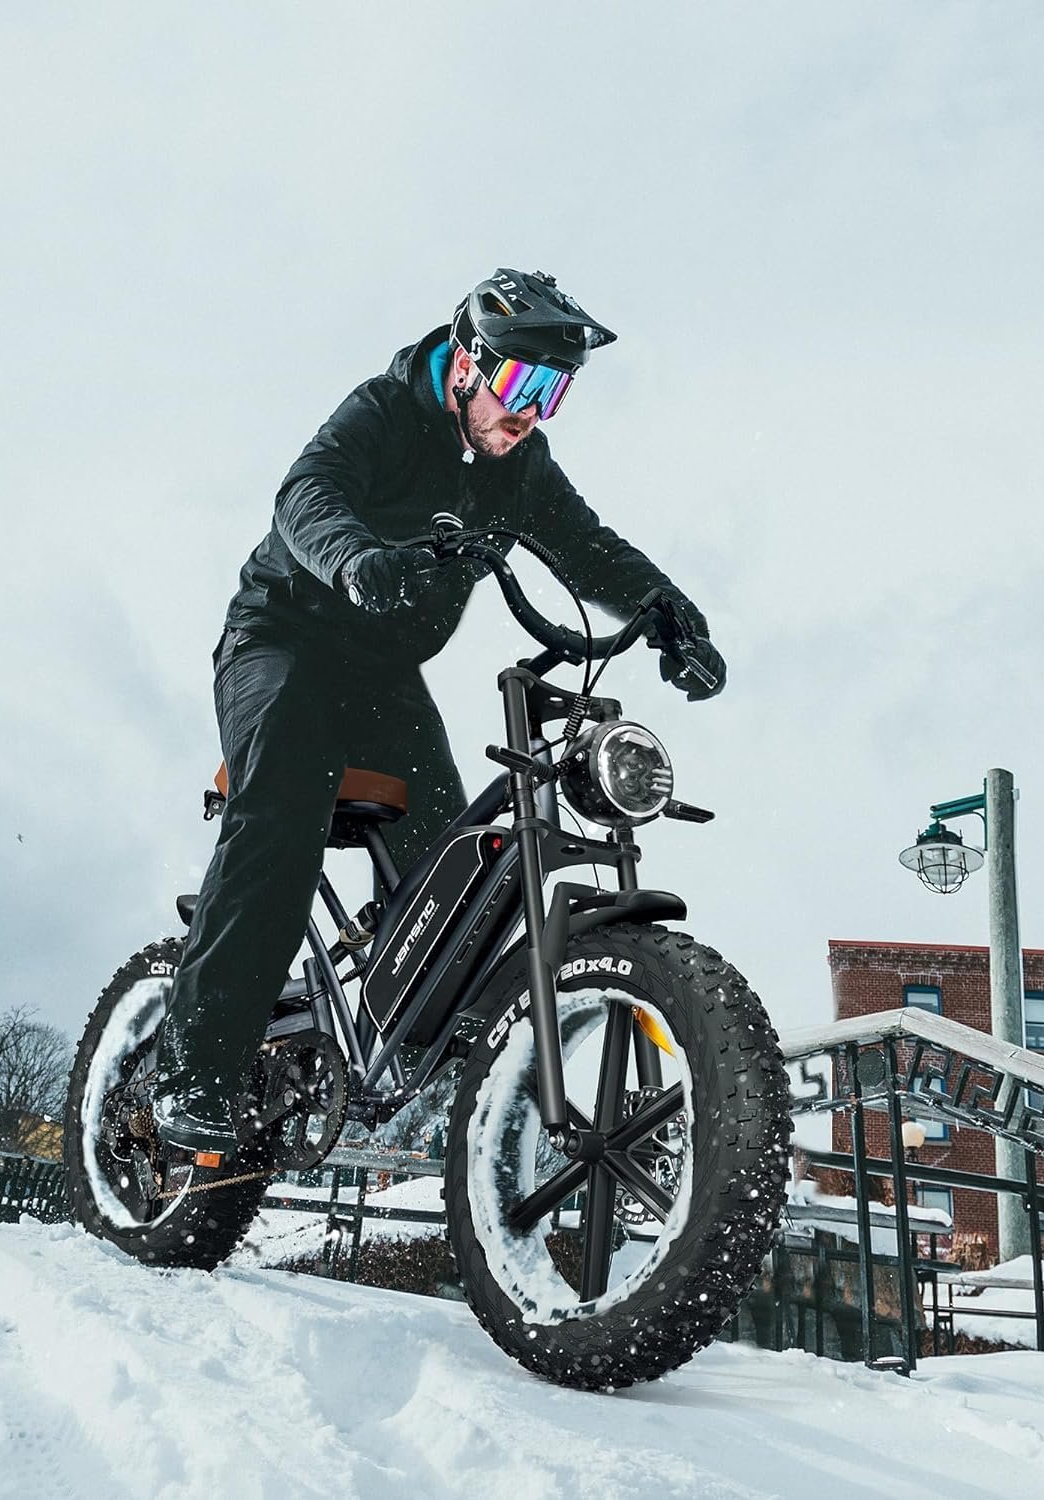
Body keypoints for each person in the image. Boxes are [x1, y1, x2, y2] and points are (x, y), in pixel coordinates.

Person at [153, 268, 725, 1157]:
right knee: (285, 807)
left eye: (553, 392)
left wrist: (671, 616)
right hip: (283, 639)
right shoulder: (382, 412)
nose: (531, 412)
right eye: (521, 383)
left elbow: (589, 549)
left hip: (381, 674)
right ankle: (194, 1068)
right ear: (466, 364)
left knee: (454, 859)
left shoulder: (519, 466)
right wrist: (354, 559)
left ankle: (420, 1055)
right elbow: (307, 495)